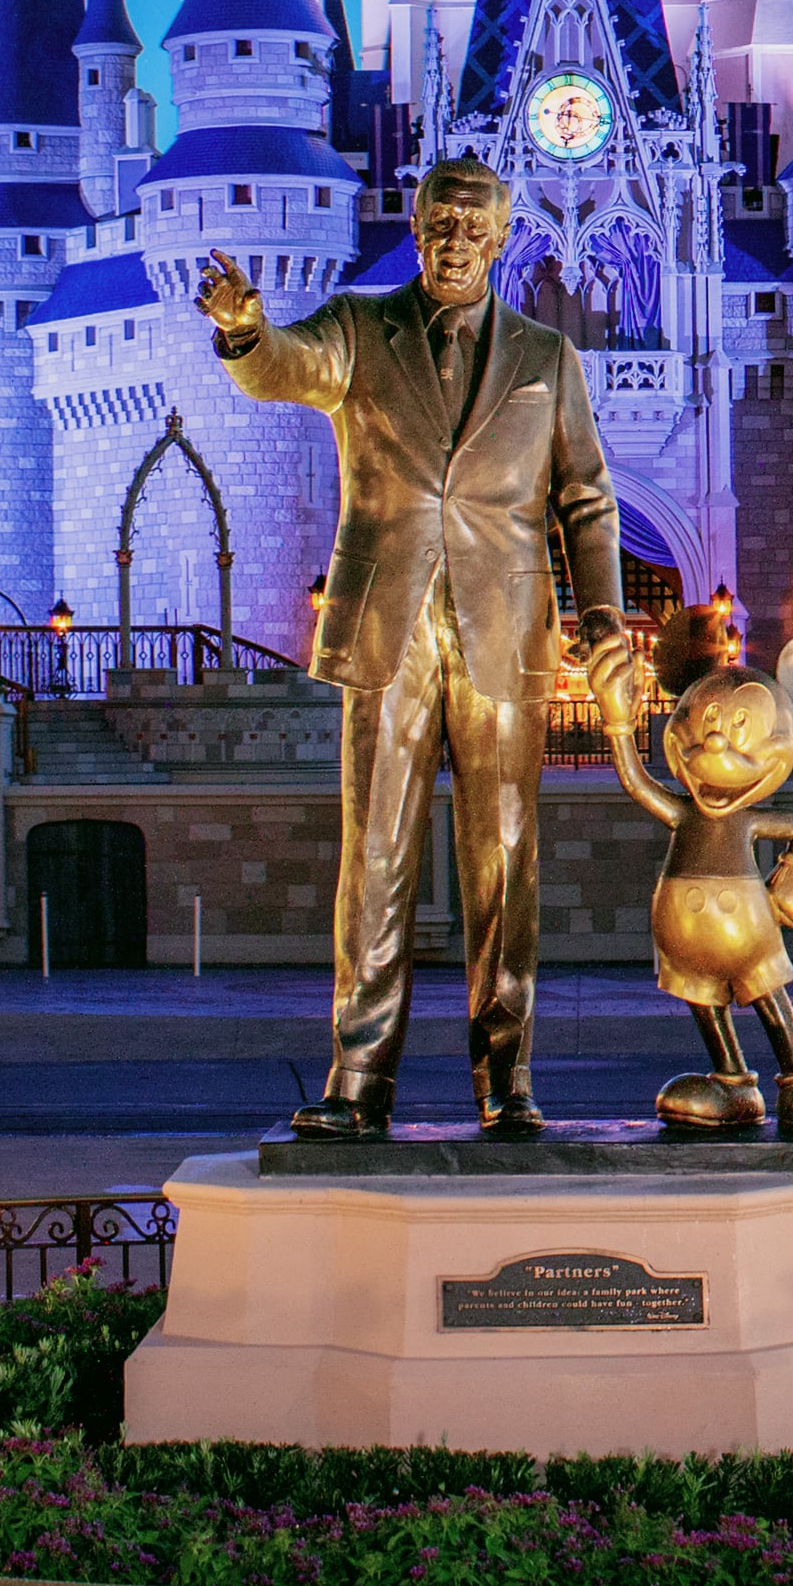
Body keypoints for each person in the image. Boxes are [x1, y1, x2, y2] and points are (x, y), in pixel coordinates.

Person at [198, 155, 608, 1143]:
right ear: (417, 228)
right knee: (375, 851)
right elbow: (283, 367)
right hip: (388, 627)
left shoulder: (548, 359)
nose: (457, 239)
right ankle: (359, 1081)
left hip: (505, 632)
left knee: (505, 862)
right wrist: (245, 329)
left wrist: (601, 622)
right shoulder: (358, 328)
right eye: (441, 222)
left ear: (505, 239)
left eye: (476, 225)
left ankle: (506, 1080)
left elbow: (585, 500)